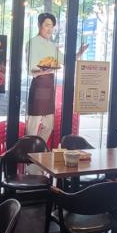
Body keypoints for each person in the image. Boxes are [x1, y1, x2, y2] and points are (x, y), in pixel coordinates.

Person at [25, 12, 87, 143]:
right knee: (32, 127)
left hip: (49, 87)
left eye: (52, 26)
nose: (50, 29)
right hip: (38, 86)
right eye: (47, 25)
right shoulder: (32, 43)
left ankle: (39, 150)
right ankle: (29, 152)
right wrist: (45, 69)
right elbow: (31, 70)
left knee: (49, 125)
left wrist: (79, 53)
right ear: (39, 25)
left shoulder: (51, 45)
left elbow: (65, 60)